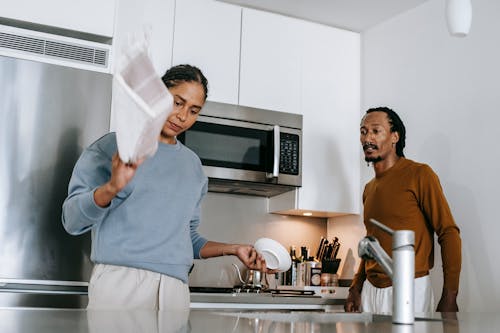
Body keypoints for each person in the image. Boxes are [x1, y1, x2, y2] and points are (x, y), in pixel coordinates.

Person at [62, 64, 268, 310]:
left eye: (193, 110)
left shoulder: (192, 166)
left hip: (175, 291)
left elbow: (186, 238)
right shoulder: (113, 147)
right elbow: (71, 220)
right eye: (177, 102)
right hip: (121, 285)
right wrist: (112, 187)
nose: (183, 117)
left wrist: (234, 249)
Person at [344, 107, 461, 314]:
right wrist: (356, 286)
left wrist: (450, 296)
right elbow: (371, 243)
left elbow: (448, 233)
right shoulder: (368, 189)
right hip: (371, 291)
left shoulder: (420, 175)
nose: (367, 138)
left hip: (410, 287)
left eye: (375, 131)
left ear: (394, 137)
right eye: (363, 131)